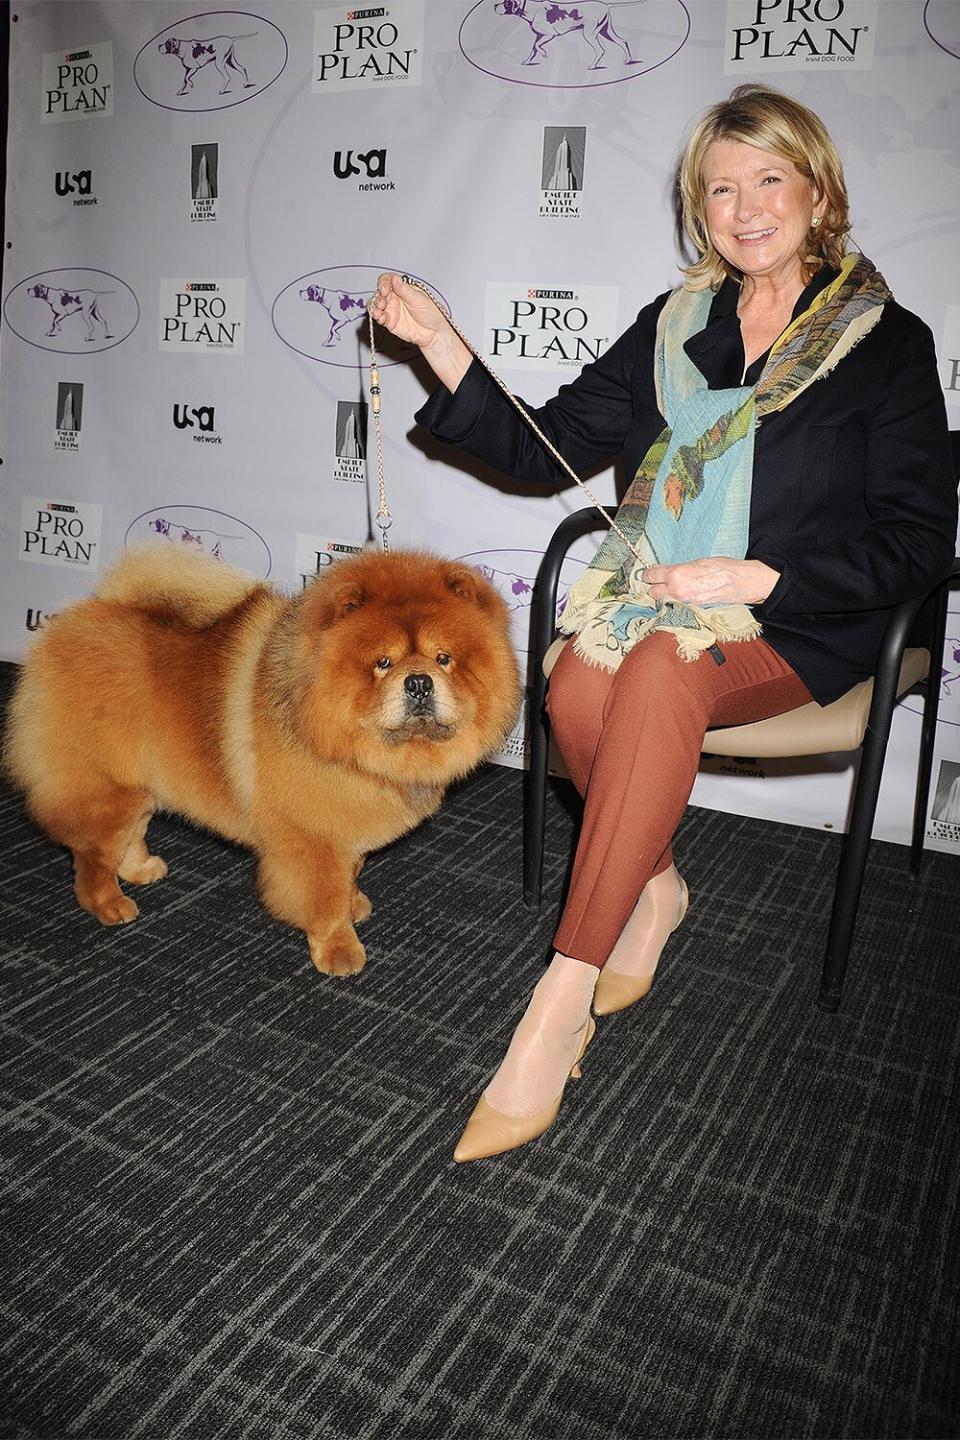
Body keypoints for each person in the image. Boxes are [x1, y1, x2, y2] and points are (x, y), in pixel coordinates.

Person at [368, 84, 957, 1164]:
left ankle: (559, 998)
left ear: (817, 190)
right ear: (700, 206)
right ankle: (655, 881)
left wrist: (762, 573)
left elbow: (919, 542)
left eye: (768, 179)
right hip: (663, 598)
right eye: (719, 187)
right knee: (575, 686)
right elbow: (538, 442)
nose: (744, 208)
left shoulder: (886, 343)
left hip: (810, 615)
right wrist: (444, 346)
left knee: (649, 681)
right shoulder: (673, 325)